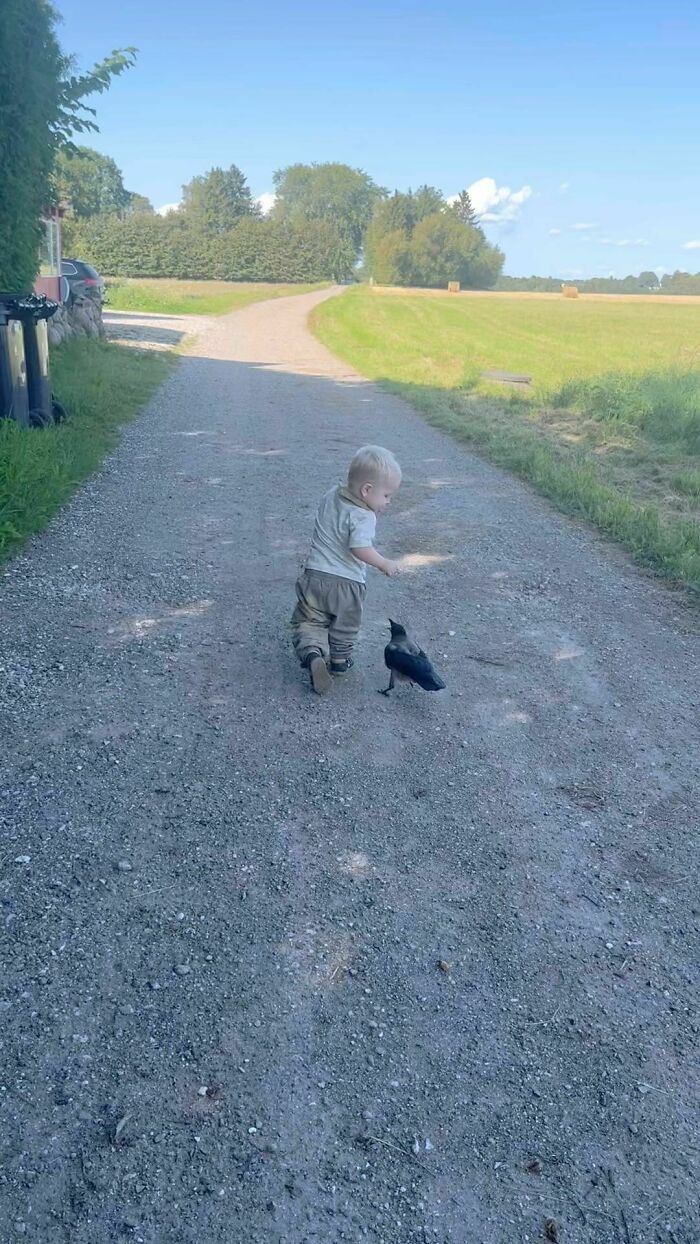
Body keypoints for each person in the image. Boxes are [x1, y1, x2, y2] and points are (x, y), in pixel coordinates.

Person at [291, 445, 401, 694]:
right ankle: (339, 661)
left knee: (310, 621)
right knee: (345, 624)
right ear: (367, 490)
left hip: (314, 576)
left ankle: (312, 652)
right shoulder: (364, 516)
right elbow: (359, 547)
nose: (388, 502)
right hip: (347, 583)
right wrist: (385, 563)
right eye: (386, 496)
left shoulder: (331, 495)